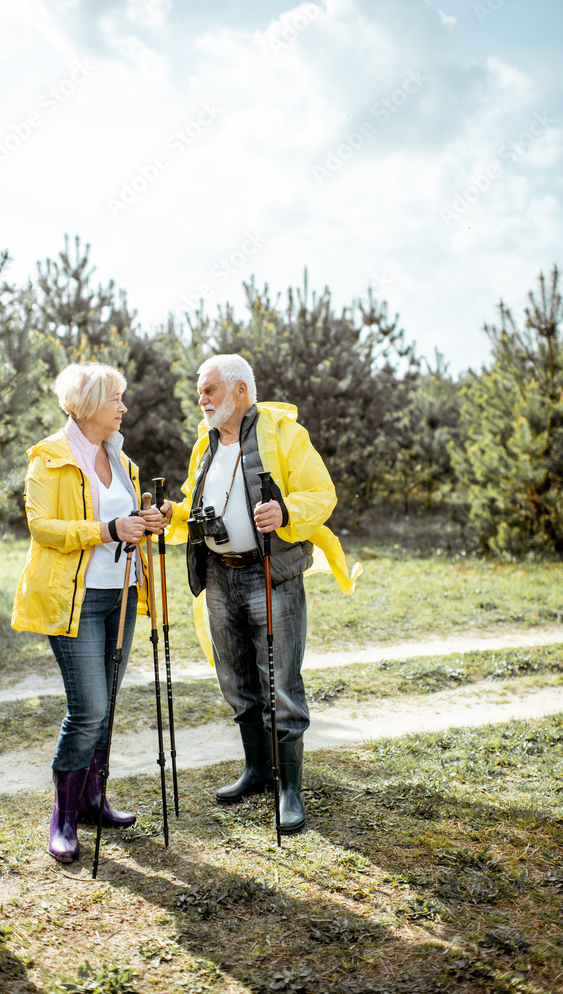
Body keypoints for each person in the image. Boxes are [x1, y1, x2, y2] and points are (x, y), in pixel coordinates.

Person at [162, 354, 360, 834]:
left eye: (209, 389)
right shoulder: (203, 445)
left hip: (269, 575)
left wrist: (287, 511)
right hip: (219, 576)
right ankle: (257, 771)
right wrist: (172, 513)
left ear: (240, 392)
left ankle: (289, 789)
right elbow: (196, 504)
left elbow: (323, 493)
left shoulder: (285, 434)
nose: (201, 399)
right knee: (235, 680)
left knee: (281, 685)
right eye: (200, 390)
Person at [11, 362, 169, 864]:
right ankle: (63, 816)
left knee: (108, 707)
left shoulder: (121, 458)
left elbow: (127, 520)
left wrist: (147, 521)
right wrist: (107, 529)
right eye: (115, 399)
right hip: (73, 600)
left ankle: (92, 800)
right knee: (88, 709)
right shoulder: (48, 458)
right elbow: (44, 529)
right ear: (87, 405)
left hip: (121, 595)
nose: (123, 407)